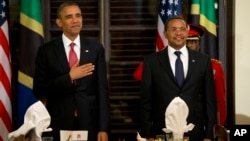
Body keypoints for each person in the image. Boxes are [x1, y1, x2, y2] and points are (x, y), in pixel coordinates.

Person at [33, 2, 109, 141]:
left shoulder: (95, 48)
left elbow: (102, 91)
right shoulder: (47, 51)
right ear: (59, 22)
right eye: (69, 17)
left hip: (90, 123)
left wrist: (103, 128)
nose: (75, 20)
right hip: (59, 123)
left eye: (78, 15)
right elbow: (39, 90)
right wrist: (69, 77)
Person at [139, 16, 217, 141]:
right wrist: (148, 134)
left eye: (182, 29)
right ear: (165, 33)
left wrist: (208, 135)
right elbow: (146, 101)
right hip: (162, 133)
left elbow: (209, 101)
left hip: (195, 133)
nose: (178, 33)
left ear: (187, 32)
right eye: (173, 29)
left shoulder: (203, 60)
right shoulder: (151, 61)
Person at [186, 24, 227, 126]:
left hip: (201, 117)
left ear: (199, 45)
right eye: (186, 42)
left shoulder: (213, 66)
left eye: (193, 42)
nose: (189, 45)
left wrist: (219, 123)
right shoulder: (171, 63)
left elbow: (219, 97)